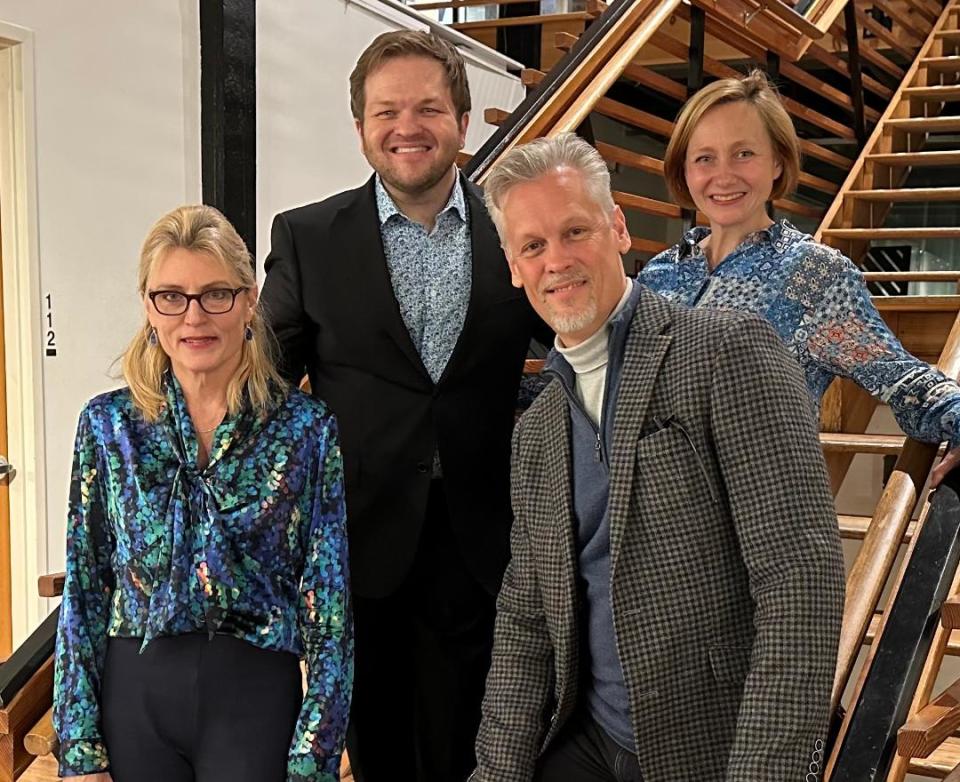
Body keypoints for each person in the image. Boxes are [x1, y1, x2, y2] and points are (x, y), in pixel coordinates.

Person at [471, 133, 845, 781]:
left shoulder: (727, 350)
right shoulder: (535, 434)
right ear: (513, 265)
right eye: (532, 245)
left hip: (707, 747)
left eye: (574, 231)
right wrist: (494, 774)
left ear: (618, 228)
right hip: (586, 738)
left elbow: (799, 582)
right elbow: (526, 621)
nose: (555, 260)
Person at [260, 30, 549, 782]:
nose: (406, 127)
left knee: (479, 751)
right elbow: (263, 387)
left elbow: (578, 345)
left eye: (428, 107)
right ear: (359, 127)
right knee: (380, 748)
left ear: (459, 120)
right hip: (358, 548)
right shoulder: (307, 237)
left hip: (486, 544)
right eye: (386, 111)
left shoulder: (515, 229)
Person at [53, 205, 352, 782]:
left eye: (216, 293)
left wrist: (317, 750)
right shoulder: (107, 426)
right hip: (135, 694)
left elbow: (329, 603)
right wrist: (79, 747)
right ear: (149, 305)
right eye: (172, 296)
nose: (194, 316)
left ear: (248, 300)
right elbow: (86, 585)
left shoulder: (305, 430)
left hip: (255, 697)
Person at [641, 70, 960, 485]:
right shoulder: (659, 274)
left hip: (758, 523)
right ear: (684, 169)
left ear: (777, 161)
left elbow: (899, 376)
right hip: (648, 522)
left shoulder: (814, 274)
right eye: (704, 157)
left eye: (744, 154)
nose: (723, 175)